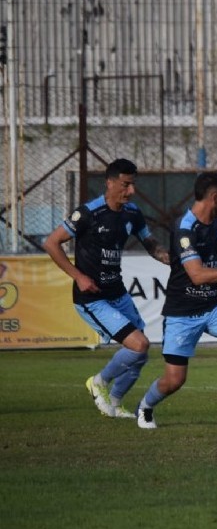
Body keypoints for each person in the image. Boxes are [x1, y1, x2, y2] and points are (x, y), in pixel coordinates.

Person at [135, 172, 217, 429]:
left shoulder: (215, 222)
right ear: (215, 197)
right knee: (174, 380)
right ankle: (145, 406)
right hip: (182, 312)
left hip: (214, 304)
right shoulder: (186, 229)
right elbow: (196, 275)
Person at [43, 158, 169, 419]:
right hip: (92, 298)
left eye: (133, 185)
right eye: (125, 185)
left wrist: (176, 262)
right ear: (109, 183)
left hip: (118, 293)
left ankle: (114, 402)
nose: (130, 191)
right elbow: (52, 243)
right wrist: (78, 276)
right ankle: (98, 382)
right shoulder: (89, 213)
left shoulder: (132, 213)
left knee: (140, 354)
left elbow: (151, 244)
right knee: (139, 345)